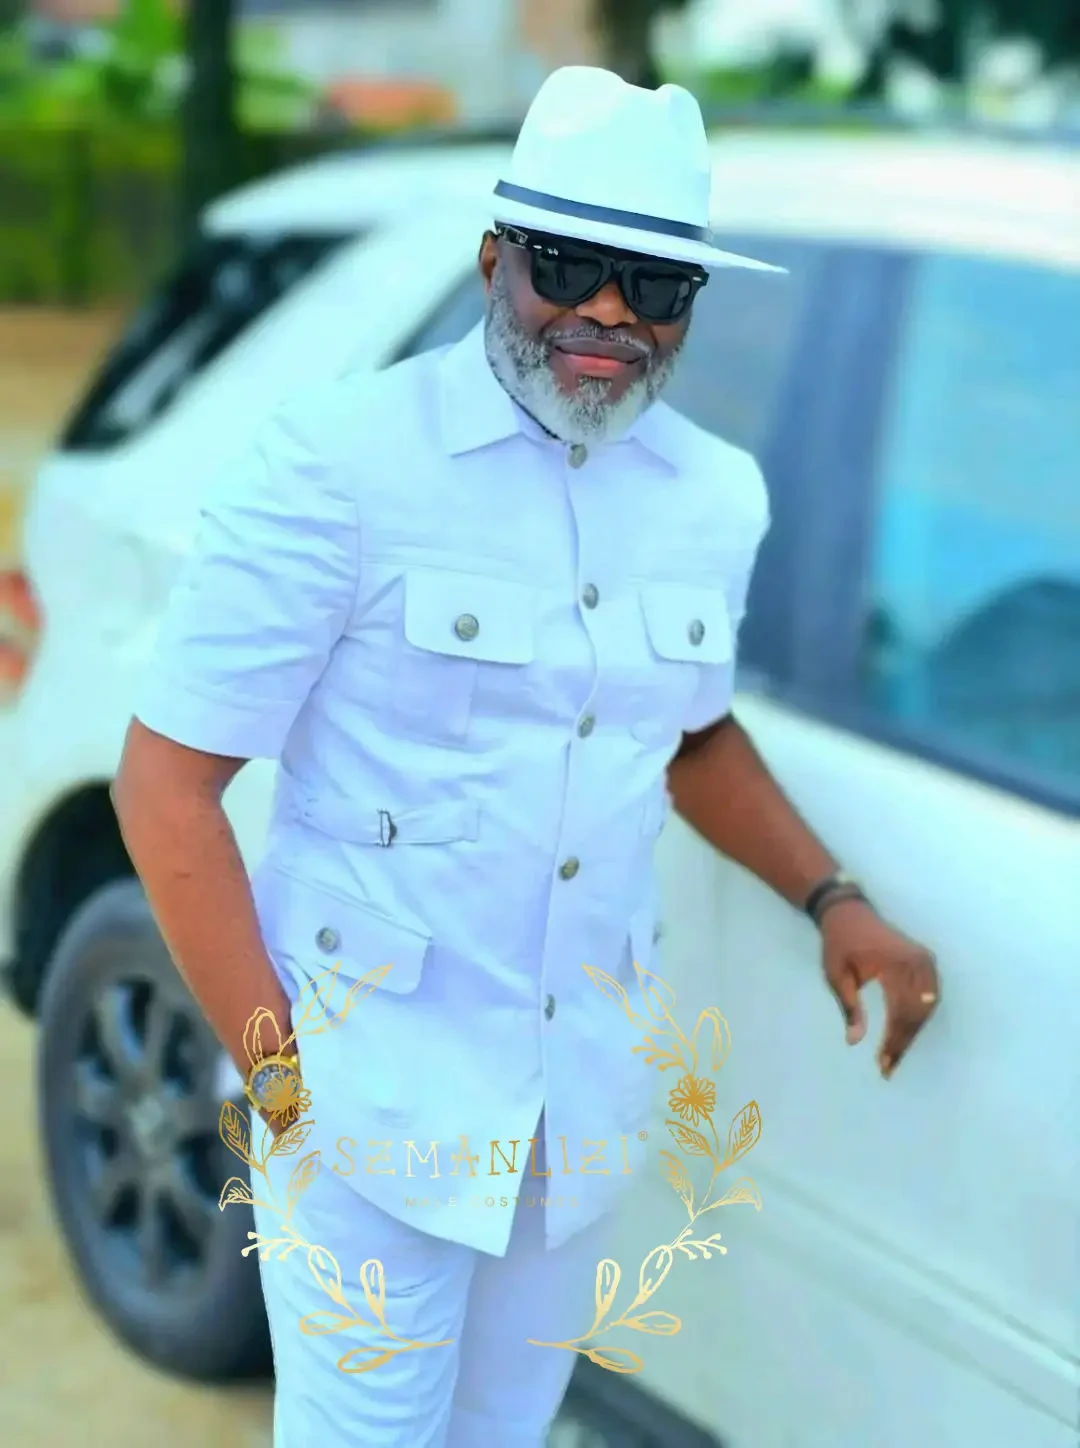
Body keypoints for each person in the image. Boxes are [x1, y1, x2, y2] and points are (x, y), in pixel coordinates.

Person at [112, 65, 940, 1448]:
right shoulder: (338, 464)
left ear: (689, 305)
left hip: (577, 1116)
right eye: (569, 266)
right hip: (364, 1106)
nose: (610, 311)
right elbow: (168, 786)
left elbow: (689, 734)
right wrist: (280, 1086)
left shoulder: (712, 497)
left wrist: (831, 897)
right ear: (495, 256)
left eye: (654, 283)